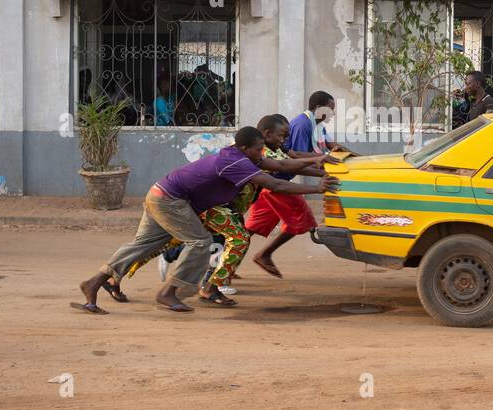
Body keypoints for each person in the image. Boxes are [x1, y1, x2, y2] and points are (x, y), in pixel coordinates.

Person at [75, 127, 335, 314]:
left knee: (145, 245)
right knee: (199, 241)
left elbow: (281, 167)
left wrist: (318, 160)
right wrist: (317, 189)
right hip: (170, 200)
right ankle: (170, 292)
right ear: (246, 148)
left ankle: (93, 283)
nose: (262, 154)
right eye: (258, 150)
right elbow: (275, 183)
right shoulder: (237, 163)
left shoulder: (239, 155)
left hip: (160, 193)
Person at [247, 113, 328, 279]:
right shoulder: (264, 151)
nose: (284, 140)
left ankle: (226, 261)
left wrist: (321, 170)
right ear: (268, 134)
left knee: (249, 230)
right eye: (282, 136)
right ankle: (262, 254)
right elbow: (287, 167)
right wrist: (319, 180)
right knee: (301, 220)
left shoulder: (275, 147)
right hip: (276, 187)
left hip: (265, 190)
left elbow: (294, 160)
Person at [286, 91, 342, 156]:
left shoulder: (319, 125)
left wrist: (353, 155)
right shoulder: (302, 124)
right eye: (330, 109)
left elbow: (332, 145)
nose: (333, 113)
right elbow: (298, 155)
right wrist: (323, 157)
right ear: (318, 108)